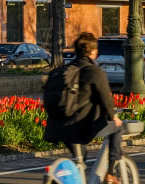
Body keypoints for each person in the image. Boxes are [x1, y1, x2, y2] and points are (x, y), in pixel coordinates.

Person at [44, 32, 124, 184]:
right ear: (94, 52)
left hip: (56, 126)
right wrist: (113, 116)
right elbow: (106, 99)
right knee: (117, 128)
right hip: (79, 126)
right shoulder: (94, 71)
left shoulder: (62, 71)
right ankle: (110, 173)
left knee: (80, 159)